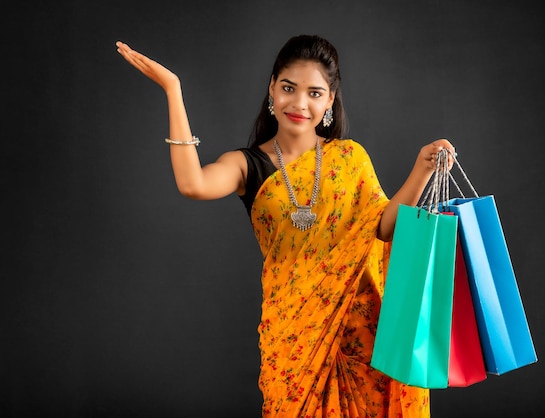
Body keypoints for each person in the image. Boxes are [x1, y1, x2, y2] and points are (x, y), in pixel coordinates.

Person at [116, 34, 454, 417]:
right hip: (294, 339)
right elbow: (193, 184)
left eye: (314, 93)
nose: (299, 103)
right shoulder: (246, 165)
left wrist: (423, 169)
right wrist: (173, 89)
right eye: (289, 88)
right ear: (272, 89)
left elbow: (383, 228)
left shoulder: (349, 158)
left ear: (329, 101)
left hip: (364, 332)